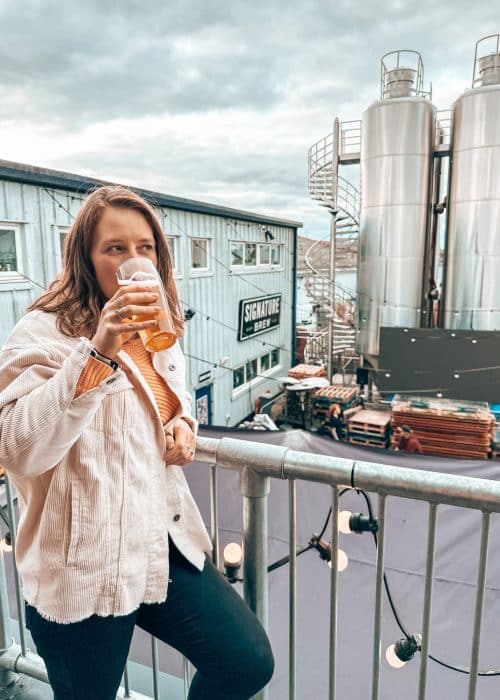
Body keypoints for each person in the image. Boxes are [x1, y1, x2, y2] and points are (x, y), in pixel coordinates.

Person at [0, 186, 274, 700]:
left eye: (144, 247)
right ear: (85, 256)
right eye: (116, 248)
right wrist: (99, 350)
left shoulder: (158, 322)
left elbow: (173, 393)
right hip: (83, 563)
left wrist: (183, 424)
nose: (134, 261)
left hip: (157, 538)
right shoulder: (42, 332)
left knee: (247, 661)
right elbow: (16, 446)